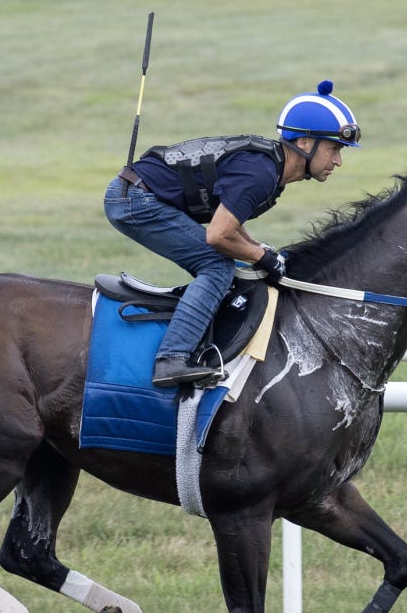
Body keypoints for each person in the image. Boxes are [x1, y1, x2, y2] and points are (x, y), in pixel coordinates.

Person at [104, 80, 361, 387]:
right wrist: (262, 256)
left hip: (138, 192)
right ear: (304, 142)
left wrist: (260, 250)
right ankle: (171, 359)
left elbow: (230, 222)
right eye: (334, 148)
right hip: (134, 200)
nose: (338, 161)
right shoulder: (261, 174)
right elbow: (218, 235)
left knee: (236, 262)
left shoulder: (270, 170)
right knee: (216, 265)